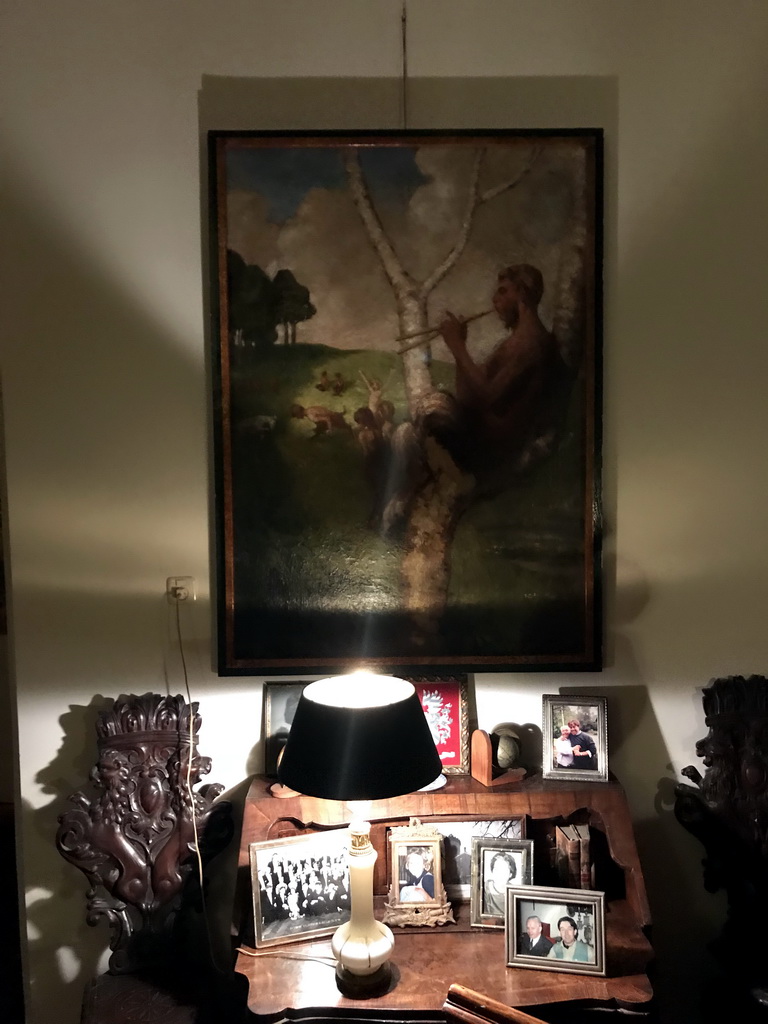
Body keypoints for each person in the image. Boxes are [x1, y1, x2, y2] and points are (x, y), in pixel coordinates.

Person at [434, 263, 568, 476]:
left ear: (522, 293)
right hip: (480, 440)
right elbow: (467, 399)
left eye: (503, 291)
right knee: (433, 408)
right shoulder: (513, 343)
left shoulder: (532, 342)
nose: (495, 299)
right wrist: (459, 348)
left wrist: (457, 347)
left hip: (493, 452)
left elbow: (490, 396)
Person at [483, 850, 517, 916]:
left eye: (503, 870)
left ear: (510, 874)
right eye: (496, 869)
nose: (499, 874)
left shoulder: (514, 891)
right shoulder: (484, 887)